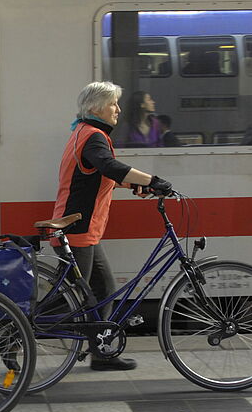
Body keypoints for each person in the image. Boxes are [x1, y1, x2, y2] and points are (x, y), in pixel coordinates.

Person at [51, 81, 172, 371]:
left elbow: (97, 173)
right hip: (77, 229)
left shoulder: (85, 133)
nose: (118, 109)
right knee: (69, 298)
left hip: (84, 229)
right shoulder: (92, 136)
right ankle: (12, 331)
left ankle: (102, 353)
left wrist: (133, 184)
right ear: (95, 108)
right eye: (113, 104)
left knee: (103, 288)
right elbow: (108, 166)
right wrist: (152, 181)